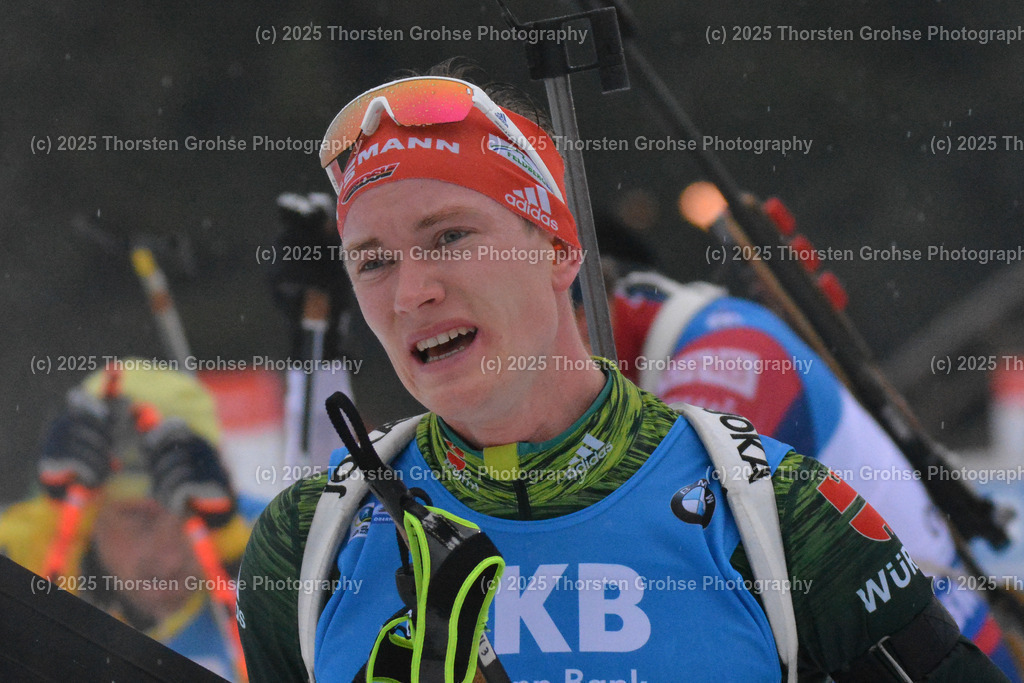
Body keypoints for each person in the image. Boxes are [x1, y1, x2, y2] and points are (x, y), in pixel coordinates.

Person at [236, 62, 1008, 682]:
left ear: (560, 251)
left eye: (448, 236)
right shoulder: (309, 544)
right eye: (372, 261)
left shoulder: (776, 515)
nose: (412, 292)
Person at [579, 218, 1024, 678]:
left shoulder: (722, 356)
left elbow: (653, 560)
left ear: (580, 309)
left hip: (935, 655)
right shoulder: (695, 335)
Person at [0, 365, 251, 680]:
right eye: (138, 518)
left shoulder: (281, 541)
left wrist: (230, 547)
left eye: (192, 519)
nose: (169, 557)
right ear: (91, 517)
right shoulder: (19, 550)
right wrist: (58, 514)